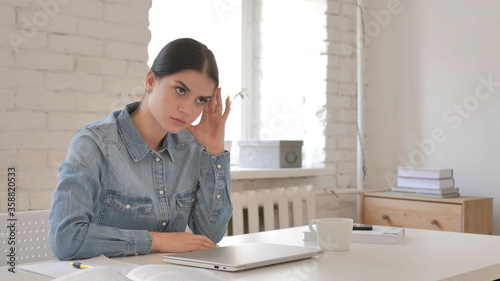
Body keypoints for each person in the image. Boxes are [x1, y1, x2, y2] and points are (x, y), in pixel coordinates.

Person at [48, 38, 233, 260]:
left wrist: (214, 150)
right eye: (180, 90)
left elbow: (210, 236)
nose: (187, 109)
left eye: (200, 100)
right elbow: (66, 239)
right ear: (151, 81)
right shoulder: (95, 143)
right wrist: (159, 241)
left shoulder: (190, 147)